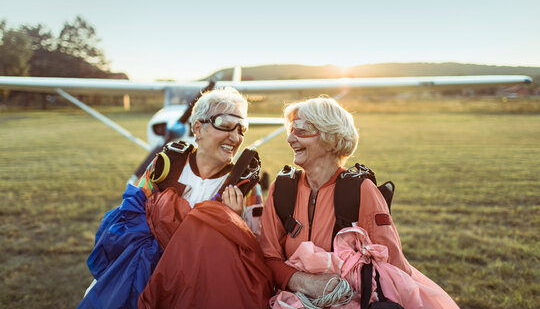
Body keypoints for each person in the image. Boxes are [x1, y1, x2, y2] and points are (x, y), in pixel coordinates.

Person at [79, 87, 271, 309]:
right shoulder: (165, 165)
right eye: (226, 126)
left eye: (242, 130)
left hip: (202, 290)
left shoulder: (244, 185)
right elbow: (128, 217)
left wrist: (233, 223)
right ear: (198, 128)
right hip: (144, 278)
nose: (235, 137)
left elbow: (255, 250)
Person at [260, 97, 458, 308]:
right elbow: (268, 258)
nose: (290, 138)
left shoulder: (361, 191)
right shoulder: (282, 190)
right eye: (291, 129)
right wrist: (306, 282)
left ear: (331, 139)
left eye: (301, 129)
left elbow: (393, 266)